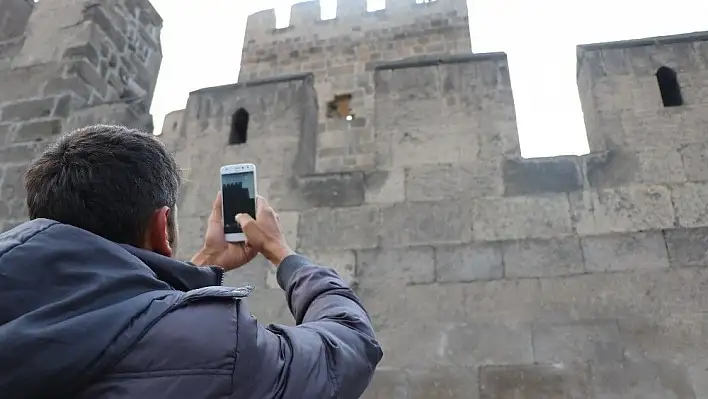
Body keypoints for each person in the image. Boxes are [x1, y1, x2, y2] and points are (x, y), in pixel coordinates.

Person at [0, 125, 383, 398]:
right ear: (162, 225)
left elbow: (111, 305)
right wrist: (282, 253)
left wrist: (204, 264)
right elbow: (347, 349)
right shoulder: (215, 344)